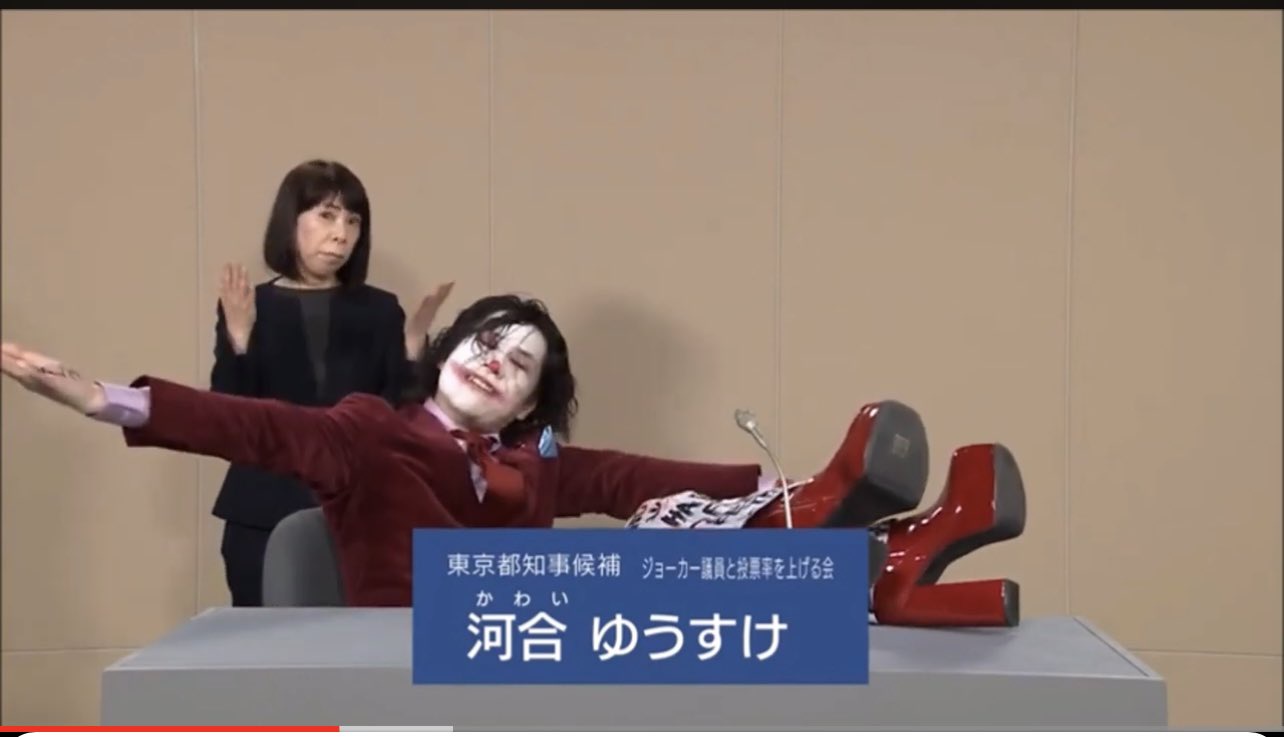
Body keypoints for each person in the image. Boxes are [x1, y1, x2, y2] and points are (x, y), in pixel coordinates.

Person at [2, 294, 1016, 620]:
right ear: (447, 354)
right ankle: (856, 551)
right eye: (486, 341)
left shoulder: (531, 463)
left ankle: (890, 553)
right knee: (643, 561)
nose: (496, 359)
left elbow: (626, 474)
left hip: (528, 654)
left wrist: (769, 482)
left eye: (520, 363)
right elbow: (258, 426)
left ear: (529, 402)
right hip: (415, 659)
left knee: (663, 515)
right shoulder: (367, 429)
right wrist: (104, 397)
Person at [207, 159, 453, 606]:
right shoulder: (251, 306)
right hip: (262, 514)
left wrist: (414, 350)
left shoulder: (380, 310)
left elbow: (404, 420)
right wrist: (239, 342)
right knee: (264, 641)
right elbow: (228, 422)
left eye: (353, 221)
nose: (341, 234)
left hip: (362, 514)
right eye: (326, 215)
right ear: (290, 221)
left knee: (359, 640)